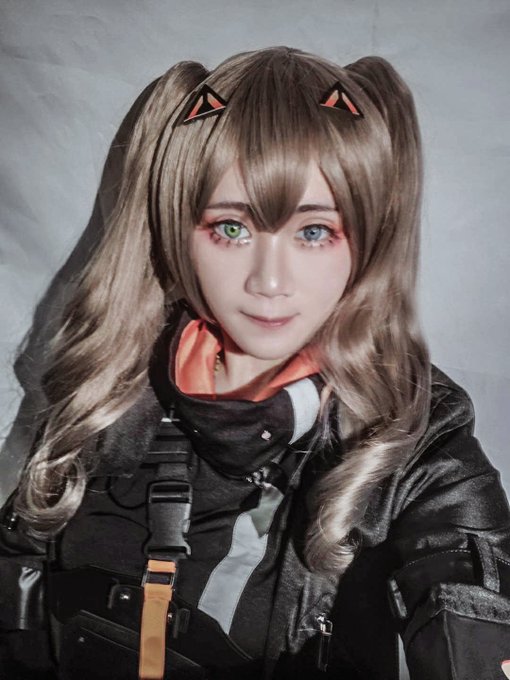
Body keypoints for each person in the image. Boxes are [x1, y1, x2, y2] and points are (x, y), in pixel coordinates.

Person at [1, 46, 510, 680]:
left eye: (314, 232)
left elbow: (472, 591)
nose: (269, 282)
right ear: (178, 229)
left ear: (369, 240)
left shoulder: (415, 435)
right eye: (232, 229)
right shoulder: (106, 394)